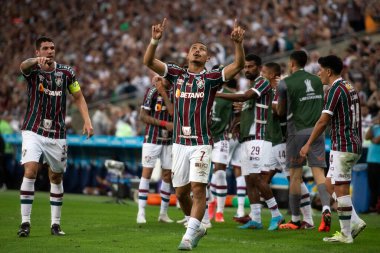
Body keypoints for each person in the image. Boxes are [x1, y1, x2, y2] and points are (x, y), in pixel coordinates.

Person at [143, 18, 245, 250]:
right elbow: (148, 61)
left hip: (201, 142)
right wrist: (154, 40)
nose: (198, 51)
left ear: (208, 59)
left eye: (202, 50)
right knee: (180, 194)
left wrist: (238, 44)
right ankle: (197, 225)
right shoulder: (176, 74)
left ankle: (188, 237)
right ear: (188, 55)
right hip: (179, 143)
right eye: (194, 49)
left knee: (198, 189)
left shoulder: (211, 78)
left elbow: (238, 65)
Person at [17, 36, 93, 237]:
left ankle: (55, 224)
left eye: (52, 48)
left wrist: (87, 120)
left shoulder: (67, 73)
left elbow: (78, 96)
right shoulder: (33, 70)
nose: (50, 51)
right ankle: (25, 223)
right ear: (37, 51)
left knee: (56, 176)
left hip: (58, 133)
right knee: (31, 170)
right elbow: (22, 67)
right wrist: (35, 62)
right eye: (45, 48)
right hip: (33, 129)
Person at [300, 55, 366, 243]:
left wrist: (308, 143)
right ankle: (355, 221)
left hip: (343, 144)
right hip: (352, 143)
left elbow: (323, 121)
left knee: (341, 187)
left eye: (320, 69)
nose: (318, 72)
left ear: (328, 71)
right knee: (329, 186)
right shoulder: (349, 87)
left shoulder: (335, 90)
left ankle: (346, 234)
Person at [216, 56, 284, 231]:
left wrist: (216, 94)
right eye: (245, 67)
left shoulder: (263, 82)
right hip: (247, 138)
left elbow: (245, 97)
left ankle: (276, 214)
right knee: (248, 179)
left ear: (259, 68)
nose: (247, 69)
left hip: (259, 137)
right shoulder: (252, 86)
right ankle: (256, 218)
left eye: (251, 66)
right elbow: (246, 108)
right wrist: (237, 124)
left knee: (257, 178)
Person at [277, 50, 331, 231]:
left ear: (292, 64)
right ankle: (325, 208)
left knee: (295, 176)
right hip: (317, 131)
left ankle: (295, 219)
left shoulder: (285, 83)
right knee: (319, 174)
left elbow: (281, 112)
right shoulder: (318, 80)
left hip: (296, 132)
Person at [137, 76, 175, 224]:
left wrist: (163, 93)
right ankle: (141, 212)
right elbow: (143, 116)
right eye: (164, 77)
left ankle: (163, 214)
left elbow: (172, 112)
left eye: (169, 77)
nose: (166, 80)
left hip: (169, 140)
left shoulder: (175, 92)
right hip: (152, 139)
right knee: (146, 173)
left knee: (167, 175)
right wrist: (164, 123)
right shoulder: (152, 91)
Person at [208, 69, 237, 223]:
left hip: (221, 138)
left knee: (219, 173)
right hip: (205, 137)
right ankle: (211, 201)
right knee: (202, 175)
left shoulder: (229, 94)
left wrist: (234, 127)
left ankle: (219, 211)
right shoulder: (205, 90)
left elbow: (238, 111)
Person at [365, 115, 380, 213]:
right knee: (372, 185)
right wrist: (371, 125)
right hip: (371, 160)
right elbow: (367, 137)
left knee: (378, 185)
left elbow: (376, 140)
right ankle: (373, 206)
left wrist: (371, 138)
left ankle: (377, 206)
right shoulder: (375, 128)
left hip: (378, 161)